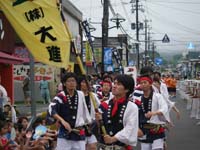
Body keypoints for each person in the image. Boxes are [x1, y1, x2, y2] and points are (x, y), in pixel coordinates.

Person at [48, 72, 92, 150]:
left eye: (73, 81)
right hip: (65, 132)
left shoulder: (80, 94)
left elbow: (85, 110)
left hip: (79, 131)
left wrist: (88, 122)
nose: (71, 83)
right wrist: (62, 121)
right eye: (69, 81)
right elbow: (52, 109)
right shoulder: (61, 96)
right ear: (64, 84)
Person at [96, 74, 138, 149]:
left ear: (127, 89)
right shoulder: (104, 105)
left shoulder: (132, 107)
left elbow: (130, 128)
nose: (114, 86)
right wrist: (97, 121)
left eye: (118, 84)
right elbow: (97, 128)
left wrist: (113, 138)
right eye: (114, 83)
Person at [135, 75, 168, 150]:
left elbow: (164, 108)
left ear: (150, 84)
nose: (143, 84)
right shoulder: (138, 99)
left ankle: (163, 142)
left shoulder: (157, 96)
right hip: (144, 129)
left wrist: (154, 113)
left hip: (156, 129)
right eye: (141, 83)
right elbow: (135, 115)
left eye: (145, 82)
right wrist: (136, 128)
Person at [78, 75, 100, 150]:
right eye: (84, 82)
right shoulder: (76, 96)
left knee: (93, 147)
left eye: (88, 82)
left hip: (91, 126)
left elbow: (99, 108)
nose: (87, 84)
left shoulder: (93, 96)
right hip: (80, 127)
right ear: (80, 84)